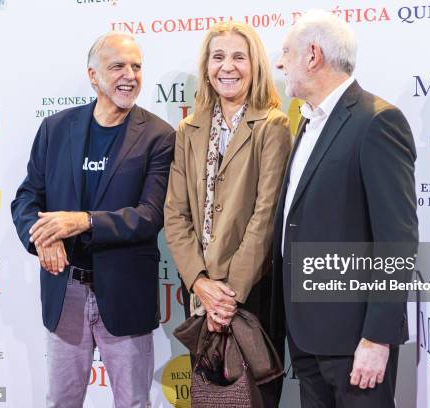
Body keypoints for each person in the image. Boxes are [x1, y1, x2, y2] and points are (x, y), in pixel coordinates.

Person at [11, 32, 175, 407]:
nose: (130, 75)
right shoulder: (56, 129)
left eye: (136, 66)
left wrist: (83, 221)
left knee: (133, 402)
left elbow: (149, 216)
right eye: (118, 66)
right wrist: (43, 238)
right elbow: (26, 197)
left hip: (124, 292)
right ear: (93, 75)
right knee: (62, 401)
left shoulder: (158, 136)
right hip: (65, 288)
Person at [272, 10, 419, 408]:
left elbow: (398, 239)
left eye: (286, 52)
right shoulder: (307, 122)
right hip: (306, 337)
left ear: (313, 55)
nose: (280, 63)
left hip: (356, 343)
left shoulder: (377, 122)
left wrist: (377, 337)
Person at [163, 21, 291, 407]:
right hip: (201, 295)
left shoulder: (273, 125)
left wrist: (227, 297)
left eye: (239, 56)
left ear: (255, 65)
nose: (228, 66)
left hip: (251, 294)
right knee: (211, 399)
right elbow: (175, 213)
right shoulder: (189, 128)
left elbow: (266, 215)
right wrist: (200, 282)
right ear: (206, 66)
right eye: (218, 57)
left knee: (254, 399)